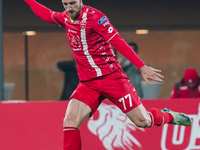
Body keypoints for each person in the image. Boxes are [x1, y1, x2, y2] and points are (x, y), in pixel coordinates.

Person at [24, 0, 192, 149]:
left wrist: (141, 66)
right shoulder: (66, 18)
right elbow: (47, 15)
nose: (69, 8)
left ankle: (168, 116)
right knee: (69, 121)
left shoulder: (96, 17)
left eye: (72, 3)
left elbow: (118, 41)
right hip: (88, 84)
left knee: (143, 122)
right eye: (65, 4)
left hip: (112, 78)